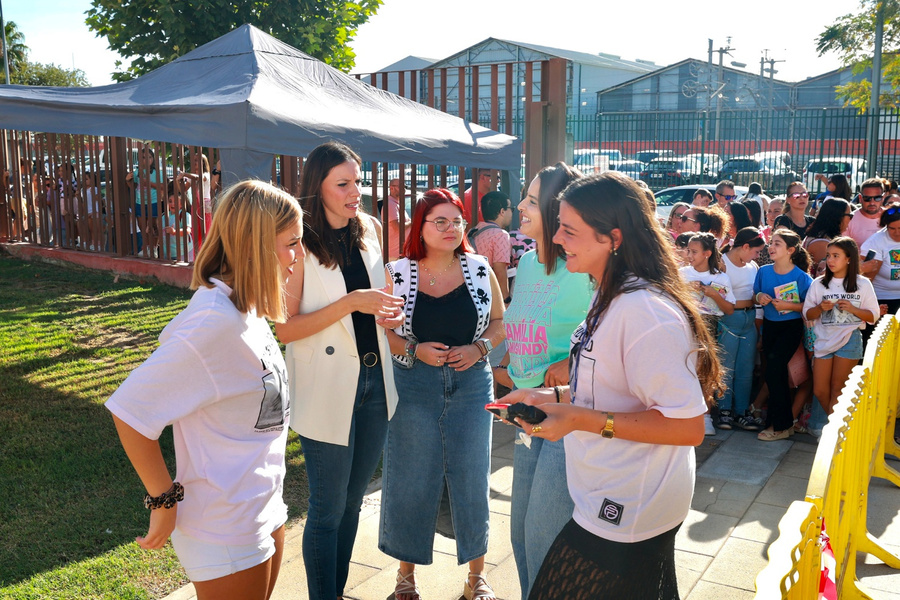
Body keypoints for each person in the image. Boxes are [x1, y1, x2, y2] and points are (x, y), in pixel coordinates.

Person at [504, 171, 722, 599]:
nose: (558, 237)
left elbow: (687, 427)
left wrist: (580, 419)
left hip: (630, 505)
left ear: (613, 237)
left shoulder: (643, 310)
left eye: (569, 229)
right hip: (608, 498)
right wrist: (546, 398)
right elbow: (603, 385)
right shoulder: (608, 294)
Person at [105, 180, 303, 600]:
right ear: (257, 246)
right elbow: (130, 411)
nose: (297, 256)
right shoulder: (213, 324)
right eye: (291, 244)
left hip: (262, 506)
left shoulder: (245, 307)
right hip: (223, 526)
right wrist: (163, 502)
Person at [274, 141, 404, 600]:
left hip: (375, 382)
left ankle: (336, 590)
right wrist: (351, 304)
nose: (357, 192)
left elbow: (380, 296)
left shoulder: (367, 227)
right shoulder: (298, 240)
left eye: (358, 181)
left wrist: (389, 313)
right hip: (327, 387)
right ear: (318, 187)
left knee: (353, 503)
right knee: (327, 509)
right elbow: (285, 329)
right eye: (344, 184)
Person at [379, 188, 505, 600]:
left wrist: (478, 349)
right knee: (410, 476)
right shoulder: (397, 273)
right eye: (441, 222)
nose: (452, 229)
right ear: (421, 226)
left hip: (472, 385)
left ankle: (476, 577)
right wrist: (416, 350)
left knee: (471, 476)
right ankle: (405, 578)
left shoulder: (480, 268)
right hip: (414, 384)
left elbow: (501, 322)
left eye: (457, 221)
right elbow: (388, 335)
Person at [496, 162, 592, 600]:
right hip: (525, 415)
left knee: (545, 538)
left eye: (533, 200)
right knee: (520, 536)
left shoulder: (585, 267)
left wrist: (572, 364)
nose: (520, 206)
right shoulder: (530, 263)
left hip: (566, 418)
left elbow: (607, 329)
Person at [803, 237, 878, 416]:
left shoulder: (863, 284)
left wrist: (852, 309)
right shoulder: (818, 283)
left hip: (850, 339)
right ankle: (837, 426)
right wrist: (820, 308)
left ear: (849, 258)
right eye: (828, 255)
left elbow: (873, 316)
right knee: (819, 390)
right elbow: (807, 314)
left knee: (838, 389)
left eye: (836, 255)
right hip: (823, 340)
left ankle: (833, 436)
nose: (830, 260)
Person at [753, 228, 813, 441]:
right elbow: (755, 293)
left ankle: (780, 425)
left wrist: (789, 305)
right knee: (772, 373)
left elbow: (810, 307)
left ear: (790, 250)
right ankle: (783, 423)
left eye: (777, 243)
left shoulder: (802, 277)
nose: (771, 247)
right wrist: (760, 296)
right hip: (770, 326)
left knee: (776, 371)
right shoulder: (763, 271)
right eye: (771, 242)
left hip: (791, 328)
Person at [718, 228, 765, 431]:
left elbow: (752, 294)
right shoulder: (721, 263)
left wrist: (760, 298)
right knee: (726, 368)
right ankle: (724, 411)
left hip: (749, 319)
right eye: (755, 251)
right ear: (745, 246)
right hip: (728, 319)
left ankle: (742, 412)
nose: (757, 256)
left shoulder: (752, 266)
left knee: (745, 369)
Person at [469, 190, 513, 303]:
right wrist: (505, 299)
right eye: (511, 209)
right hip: (488, 296)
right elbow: (500, 272)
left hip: (471, 292)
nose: (512, 212)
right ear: (502, 211)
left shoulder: (472, 232)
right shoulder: (501, 235)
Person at [861, 203, 900, 316]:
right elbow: (866, 278)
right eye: (892, 228)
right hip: (882, 299)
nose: (897, 233)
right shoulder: (876, 242)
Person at [803, 198, 852, 276]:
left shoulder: (825, 238)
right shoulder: (821, 243)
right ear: (838, 217)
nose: (850, 219)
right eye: (850, 215)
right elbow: (827, 274)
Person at [846, 178, 886, 249]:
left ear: (883, 198)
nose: (872, 202)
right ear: (860, 198)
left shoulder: (891, 217)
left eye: (877, 198)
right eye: (867, 198)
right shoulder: (849, 220)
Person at [163, 180, 194, 262]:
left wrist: (174, 232)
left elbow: (187, 230)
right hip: (168, 253)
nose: (172, 204)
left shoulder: (185, 215)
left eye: (176, 202)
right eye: (170, 201)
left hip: (183, 253)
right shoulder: (164, 216)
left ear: (181, 204)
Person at [386, 178, 412, 261]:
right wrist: (412, 222)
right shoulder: (390, 204)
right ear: (391, 188)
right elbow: (397, 227)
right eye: (400, 187)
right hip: (394, 255)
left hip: (400, 253)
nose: (404, 189)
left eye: (404, 187)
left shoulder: (396, 204)